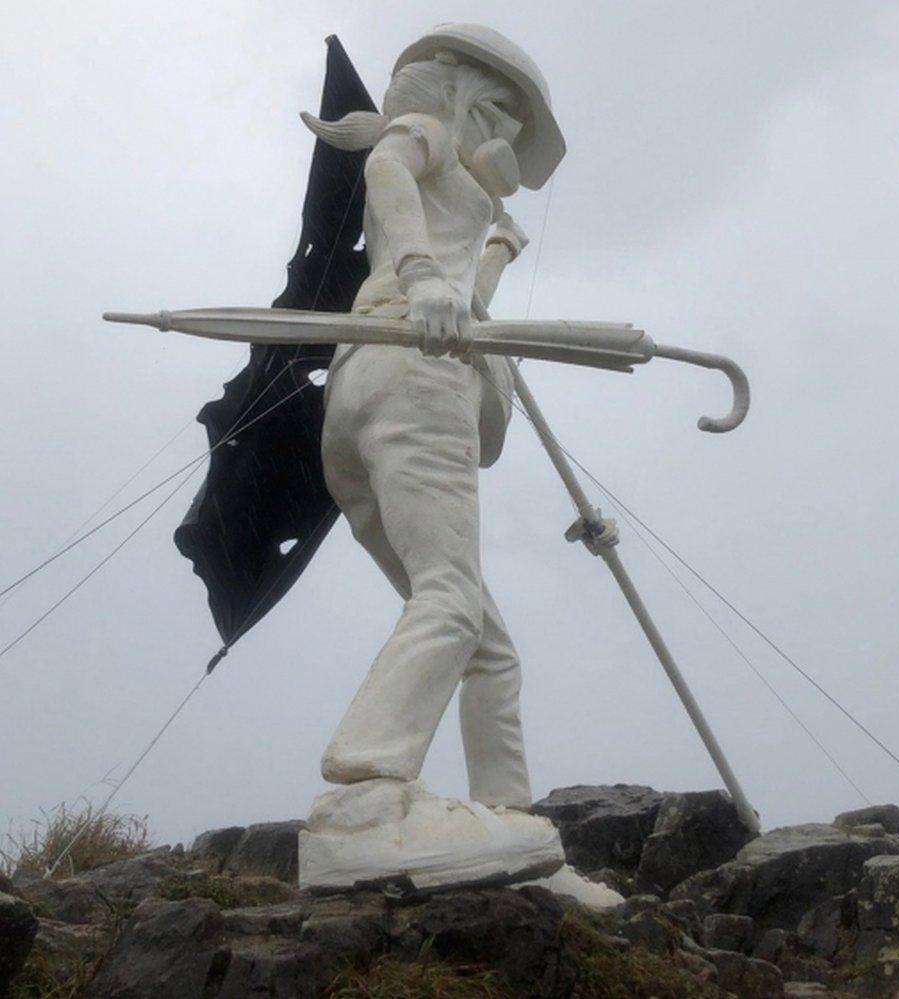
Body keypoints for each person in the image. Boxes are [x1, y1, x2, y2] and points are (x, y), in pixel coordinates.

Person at [297, 24, 569, 889]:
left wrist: (483, 259)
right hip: (412, 373)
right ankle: (366, 802)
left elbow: (468, 313)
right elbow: (383, 170)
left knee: (486, 640)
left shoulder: (471, 195)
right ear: (458, 91)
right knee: (451, 599)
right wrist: (419, 273)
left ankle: (514, 831)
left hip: (372, 389)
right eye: (505, 115)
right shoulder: (427, 137)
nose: (510, 142)